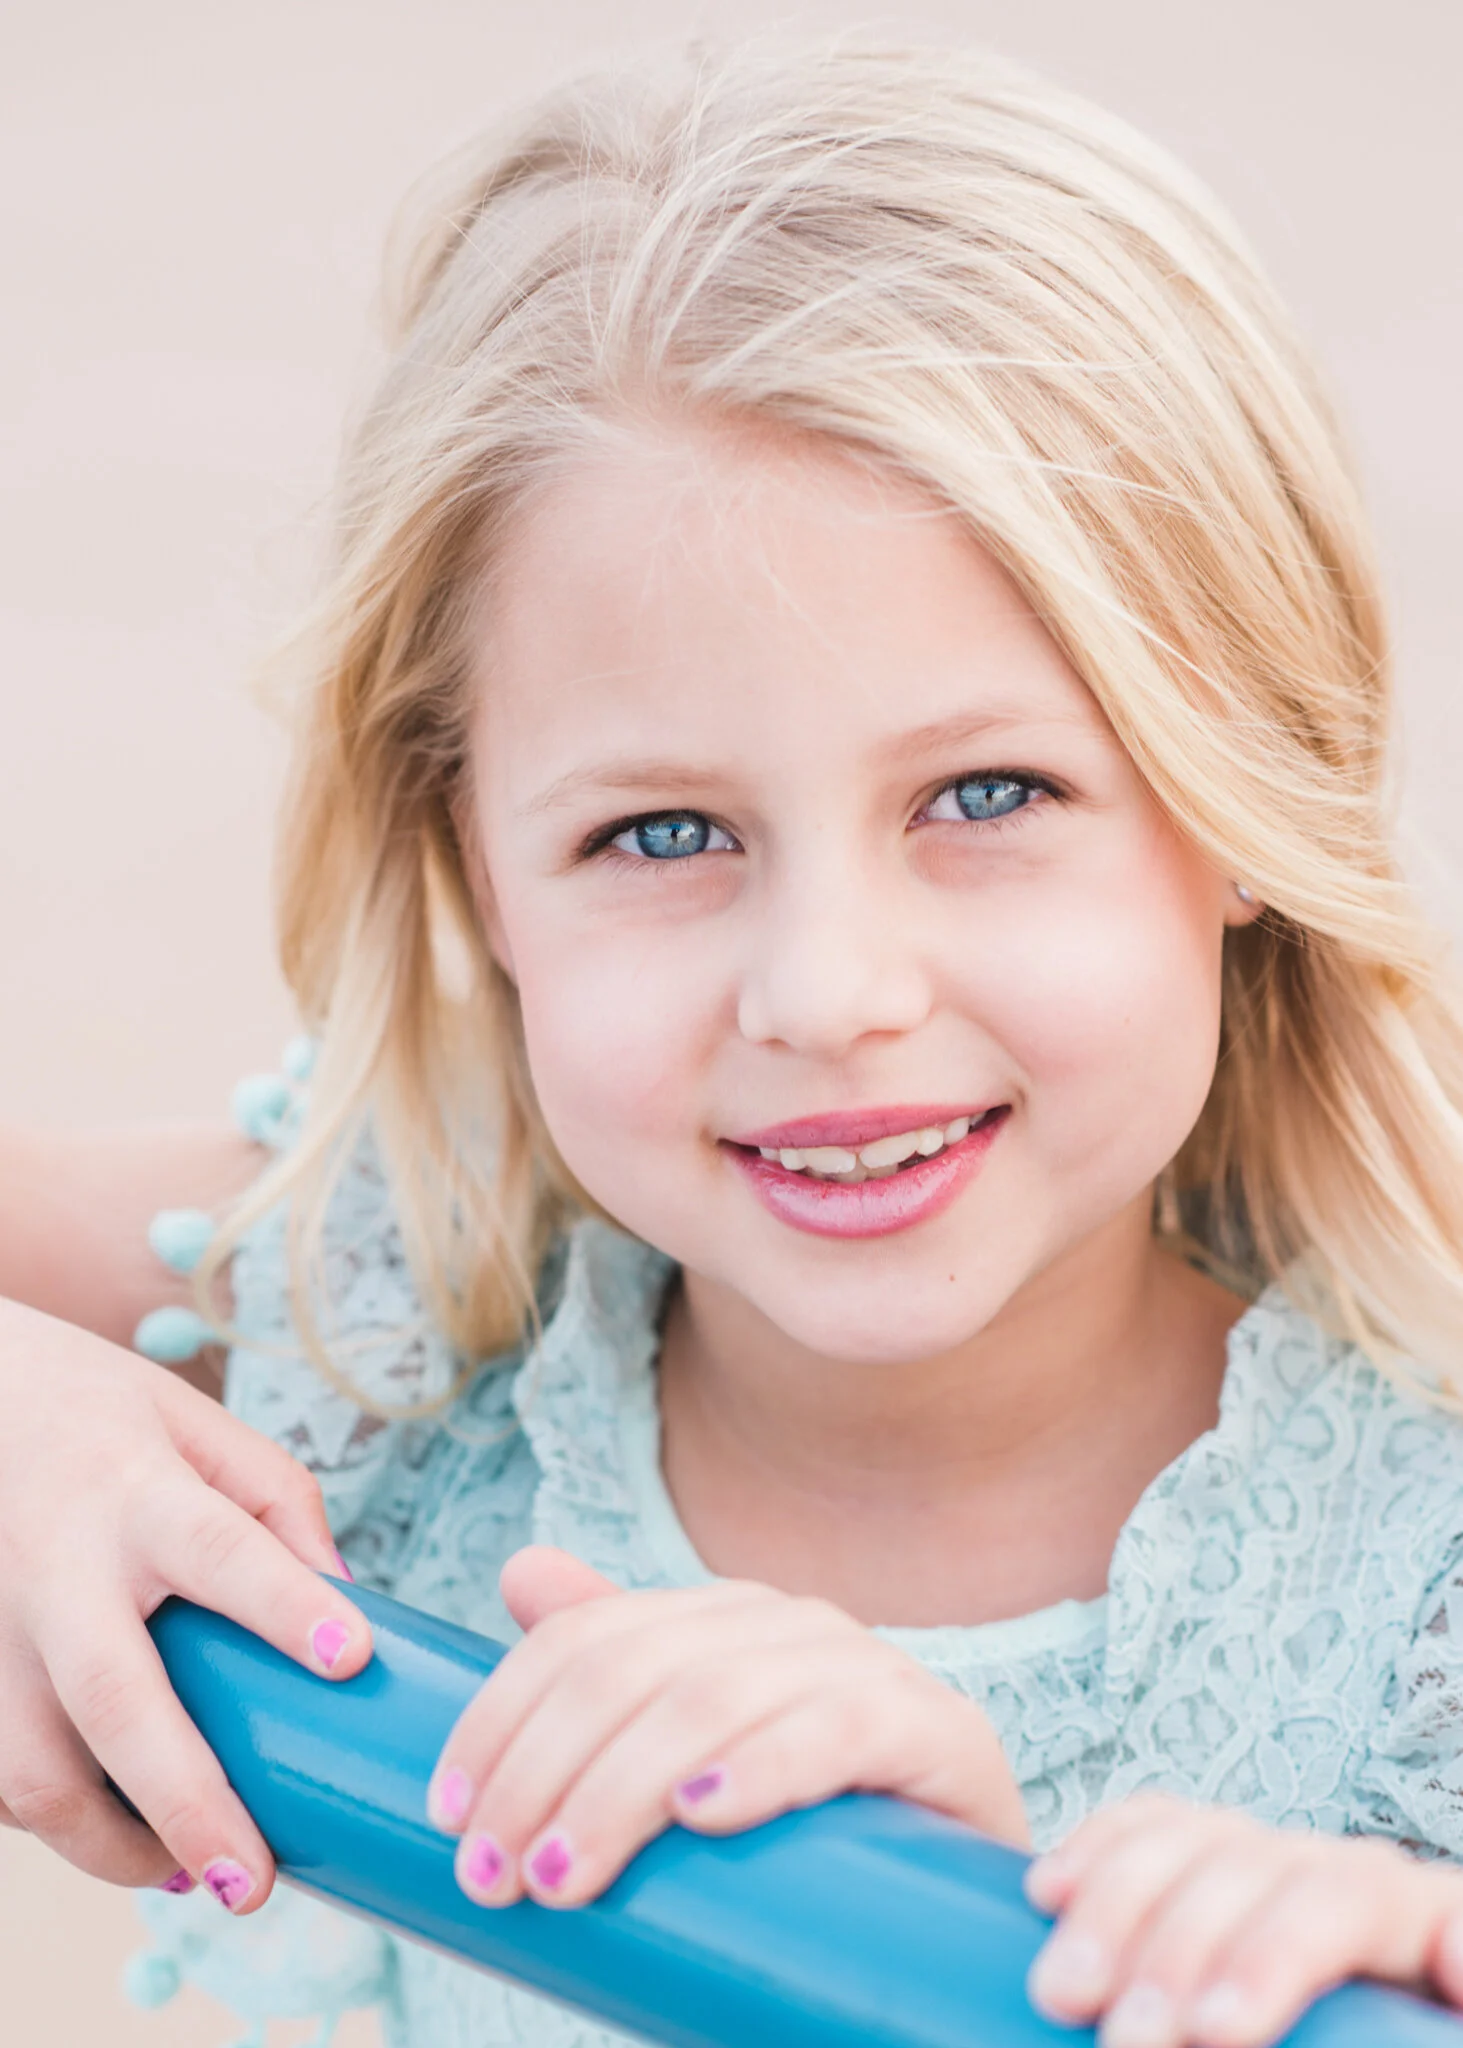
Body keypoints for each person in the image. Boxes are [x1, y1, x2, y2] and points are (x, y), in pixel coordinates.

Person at [3, 30, 1463, 2048]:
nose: (824, 990)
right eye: (663, 832)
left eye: (982, 795)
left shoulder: (1425, 1583)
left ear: (1241, 790)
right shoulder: (378, 1315)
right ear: (477, 877)